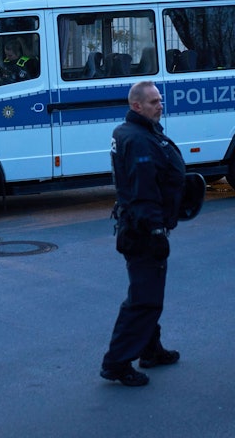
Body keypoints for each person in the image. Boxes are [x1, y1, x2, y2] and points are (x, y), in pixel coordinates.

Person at [100, 81, 185, 387]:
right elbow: (143, 192)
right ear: (136, 106)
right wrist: (157, 230)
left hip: (140, 226)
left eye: (160, 100)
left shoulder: (140, 131)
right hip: (143, 231)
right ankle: (117, 363)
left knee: (149, 294)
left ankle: (151, 349)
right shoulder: (137, 140)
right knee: (143, 300)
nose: (159, 105)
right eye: (153, 102)